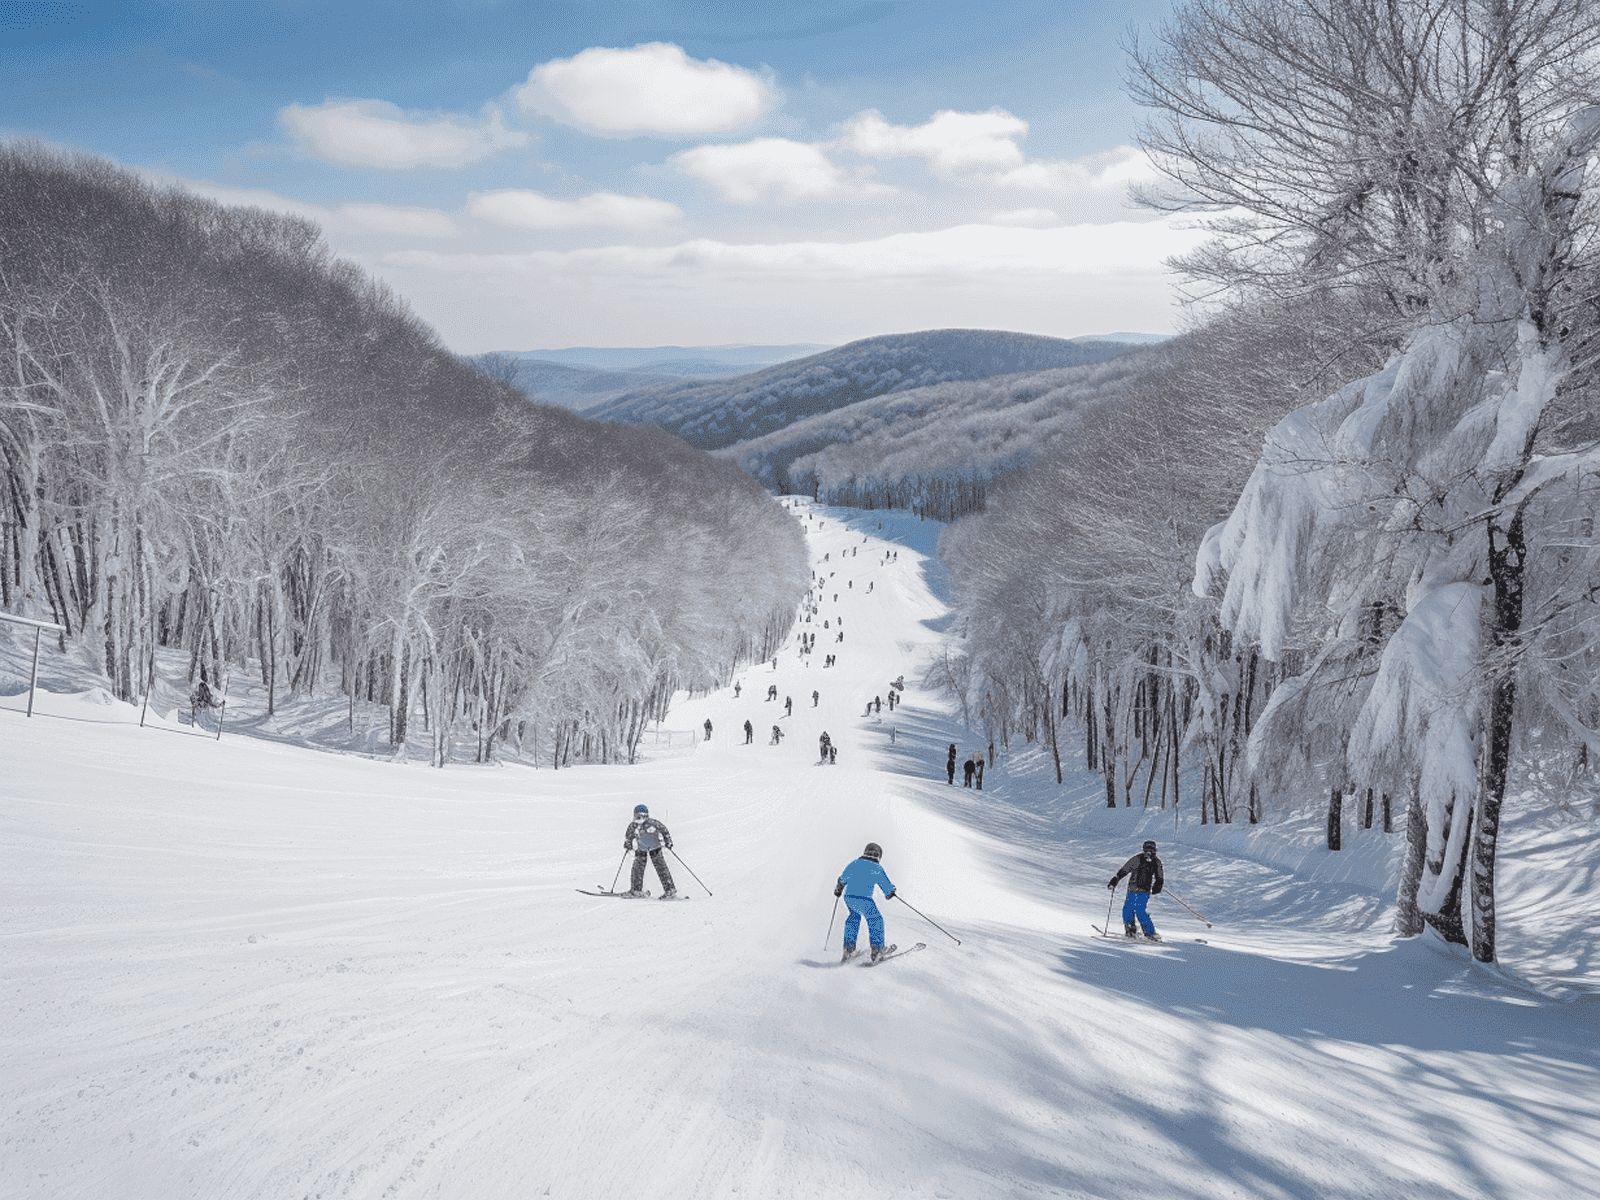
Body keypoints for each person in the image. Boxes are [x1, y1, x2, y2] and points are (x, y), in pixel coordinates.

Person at [834, 842, 896, 962]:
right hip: (864, 899)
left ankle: (848, 950)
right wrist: (890, 892)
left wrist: (839, 888)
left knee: (853, 917)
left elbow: (843, 879)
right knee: (875, 920)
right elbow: (886, 885)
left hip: (849, 898)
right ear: (878, 855)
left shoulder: (854, 863)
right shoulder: (876, 868)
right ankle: (877, 951)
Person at [1108, 840, 1164, 939]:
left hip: (1144, 890)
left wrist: (1158, 885)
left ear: (1154, 850)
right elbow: (1125, 869)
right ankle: (1130, 930)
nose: (1149, 852)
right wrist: (1115, 879)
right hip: (1133, 889)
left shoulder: (1156, 862)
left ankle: (1150, 933)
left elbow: (1159, 875)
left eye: (1151, 849)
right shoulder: (1137, 859)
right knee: (1128, 909)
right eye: (1147, 849)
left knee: (1140, 910)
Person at [623, 804, 675, 898]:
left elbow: (664, 830)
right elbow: (629, 835)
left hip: (655, 849)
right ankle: (636, 889)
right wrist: (628, 843)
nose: (641, 819)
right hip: (641, 849)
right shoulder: (633, 825)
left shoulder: (653, 823)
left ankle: (670, 889)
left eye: (644, 816)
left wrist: (668, 842)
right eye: (638, 816)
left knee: (661, 868)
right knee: (637, 869)